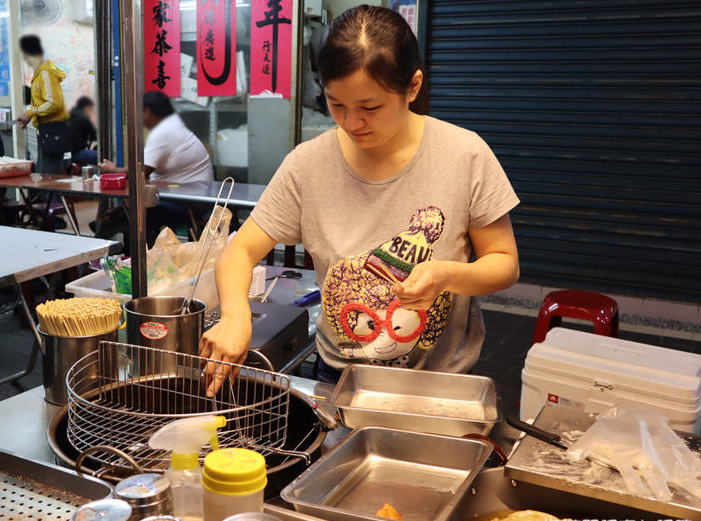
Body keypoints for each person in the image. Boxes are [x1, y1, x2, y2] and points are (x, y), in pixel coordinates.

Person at [200, 5, 520, 394]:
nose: (352, 123)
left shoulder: (464, 154)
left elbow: (504, 264)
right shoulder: (307, 163)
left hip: (439, 385)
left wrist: (447, 275)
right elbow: (240, 250)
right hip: (341, 380)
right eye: (336, 104)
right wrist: (235, 315)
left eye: (370, 107)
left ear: (413, 87)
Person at [98, 90, 212, 242]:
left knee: (135, 216)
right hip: (191, 196)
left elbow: (140, 171)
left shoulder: (164, 132)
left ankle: (137, 258)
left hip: (190, 203)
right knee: (125, 212)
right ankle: (116, 241)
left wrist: (112, 170)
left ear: (148, 111)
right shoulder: (172, 125)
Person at [16, 34, 69, 174]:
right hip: (45, 130)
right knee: (45, 178)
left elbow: (53, 103)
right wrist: (31, 117)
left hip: (52, 132)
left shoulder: (46, 72)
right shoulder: (39, 73)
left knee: (49, 181)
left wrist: (30, 113)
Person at [67, 96, 98, 165]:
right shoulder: (83, 118)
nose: (91, 111)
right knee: (101, 157)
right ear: (86, 108)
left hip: (67, 154)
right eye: (90, 109)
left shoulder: (70, 114)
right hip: (76, 153)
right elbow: (95, 136)